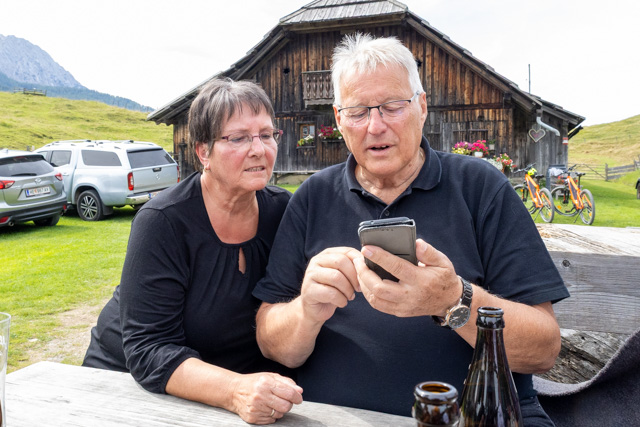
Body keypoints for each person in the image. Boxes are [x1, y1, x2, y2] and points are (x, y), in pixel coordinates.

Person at [253, 34, 569, 426]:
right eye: (357, 112)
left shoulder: (480, 188)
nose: (375, 126)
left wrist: (453, 300)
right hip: (330, 419)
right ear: (338, 119)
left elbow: (543, 350)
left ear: (421, 107)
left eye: (392, 107)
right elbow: (273, 345)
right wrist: (306, 310)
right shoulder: (312, 197)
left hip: (474, 417)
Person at [83, 78, 303, 425]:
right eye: (239, 138)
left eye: (266, 134)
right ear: (203, 152)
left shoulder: (283, 211)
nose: (259, 149)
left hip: (232, 392)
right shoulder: (163, 221)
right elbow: (148, 348)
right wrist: (235, 390)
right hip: (128, 386)